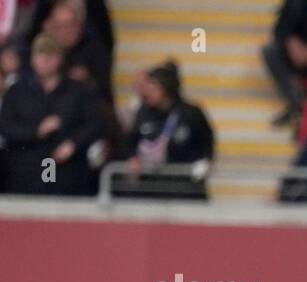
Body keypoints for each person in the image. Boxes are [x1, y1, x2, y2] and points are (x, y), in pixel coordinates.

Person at [0, 32, 103, 195]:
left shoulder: (78, 91)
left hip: (67, 173)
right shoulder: (17, 91)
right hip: (25, 173)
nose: (45, 62)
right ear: (32, 58)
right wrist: (37, 130)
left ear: (60, 59)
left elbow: (95, 124)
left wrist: (73, 144)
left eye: (50, 56)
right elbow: (6, 127)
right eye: (40, 55)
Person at [118, 60, 215, 200]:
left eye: (153, 88)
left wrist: (206, 161)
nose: (147, 92)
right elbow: (131, 140)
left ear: (165, 90)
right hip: (150, 187)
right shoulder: (143, 112)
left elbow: (207, 139)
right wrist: (133, 158)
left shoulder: (191, 113)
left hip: (184, 188)